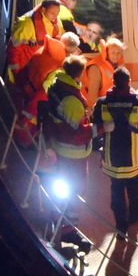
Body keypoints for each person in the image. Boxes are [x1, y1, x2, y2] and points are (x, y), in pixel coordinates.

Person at [92, 67, 138, 234]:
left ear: (113, 83)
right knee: (135, 189)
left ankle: (121, 225)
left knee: (116, 191)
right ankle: (134, 216)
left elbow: (94, 128)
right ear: (129, 82)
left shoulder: (101, 103)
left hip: (112, 159)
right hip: (134, 159)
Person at [12, 32, 81, 146]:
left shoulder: (48, 48)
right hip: (35, 98)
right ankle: (24, 142)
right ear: (69, 50)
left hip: (25, 85)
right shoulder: (58, 64)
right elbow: (45, 90)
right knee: (31, 123)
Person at [44, 55, 92, 210]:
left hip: (58, 145)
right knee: (76, 188)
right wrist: (100, 128)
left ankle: (60, 212)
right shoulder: (73, 101)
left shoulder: (55, 86)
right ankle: (70, 224)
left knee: (62, 181)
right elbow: (75, 135)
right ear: (79, 74)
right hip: (74, 153)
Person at [6, 0, 64, 84]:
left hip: (42, 72)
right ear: (43, 10)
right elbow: (13, 50)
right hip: (24, 72)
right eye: (52, 13)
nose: (55, 16)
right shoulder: (27, 23)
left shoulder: (56, 22)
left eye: (57, 13)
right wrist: (16, 73)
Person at [82, 36, 126, 107]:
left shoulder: (119, 66)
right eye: (113, 53)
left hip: (113, 105)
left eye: (118, 53)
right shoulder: (95, 68)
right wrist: (93, 114)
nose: (116, 56)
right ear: (107, 52)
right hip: (99, 107)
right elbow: (92, 96)